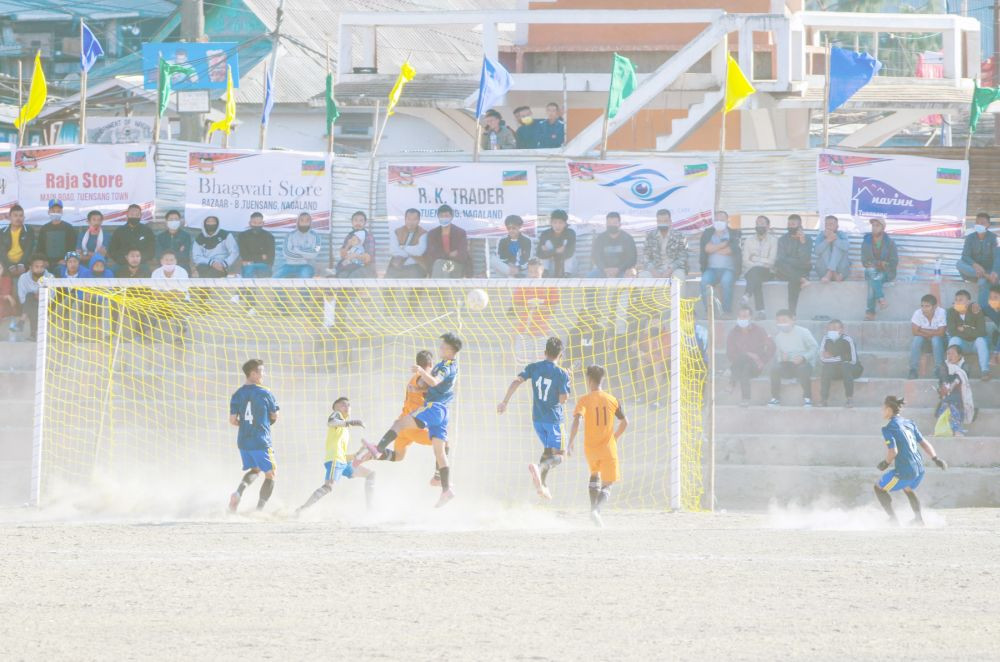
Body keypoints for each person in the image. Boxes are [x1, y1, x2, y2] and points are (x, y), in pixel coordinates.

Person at [369, 333, 462, 507]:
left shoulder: (446, 366)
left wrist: (420, 371)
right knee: (440, 452)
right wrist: (417, 389)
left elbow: (434, 382)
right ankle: (445, 488)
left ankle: (379, 448)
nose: (440, 348)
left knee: (400, 423)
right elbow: (433, 386)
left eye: (443, 346)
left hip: (433, 408)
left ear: (450, 349)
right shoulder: (448, 364)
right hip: (443, 411)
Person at [497, 336, 571, 500]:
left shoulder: (533, 367)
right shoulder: (562, 374)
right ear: (561, 355)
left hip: (537, 420)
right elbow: (563, 399)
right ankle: (538, 468)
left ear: (544, 352)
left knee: (547, 450)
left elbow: (516, 381)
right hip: (554, 420)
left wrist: (504, 402)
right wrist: (567, 380)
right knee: (560, 454)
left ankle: (542, 486)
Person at [568, 365, 628, 528]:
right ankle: (596, 510)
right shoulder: (612, 400)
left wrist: (570, 441)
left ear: (588, 380)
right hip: (608, 447)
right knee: (608, 483)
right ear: (603, 380)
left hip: (590, 448)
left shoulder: (584, 400)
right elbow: (625, 422)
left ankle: (592, 510)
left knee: (594, 475)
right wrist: (614, 437)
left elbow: (577, 420)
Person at [873, 395, 946, 526]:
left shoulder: (888, 428)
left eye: (883, 408)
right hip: (919, 469)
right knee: (907, 488)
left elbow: (893, 451)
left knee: (879, 488)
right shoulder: (909, 423)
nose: (882, 411)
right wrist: (936, 458)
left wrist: (885, 463)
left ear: (889, 409)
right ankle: (918, 519)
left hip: (905, 471)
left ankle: (893, 519)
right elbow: (923, 442)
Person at [295, 397, 374, 513]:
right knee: (329, 486)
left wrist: (358, 453)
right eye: (343, 404)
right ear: (335, 408)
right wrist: (351, 422)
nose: (347, 406)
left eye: (348, 405)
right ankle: (301, 510)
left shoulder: (344, 428)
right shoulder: (337, 416)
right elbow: (330, 422)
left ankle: (370, 510)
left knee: (371, 474)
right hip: (335, 461)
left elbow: (343, 455)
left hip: (343, 462)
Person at [228, 359, 280, 512]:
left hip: (243, 441)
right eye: (262, 371)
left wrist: (246, 425)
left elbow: (232, 420)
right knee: (271, 474)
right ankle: (259, 510)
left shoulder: (237, 394)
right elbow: (275, 415)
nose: (264, 374)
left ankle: (238, 492)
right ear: (253, 373)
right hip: (261, 440)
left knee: (256, 469)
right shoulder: (265, 392)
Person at [727, 305, 775, 407]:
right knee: (745, 367)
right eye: (740, 316)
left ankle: (732, 381)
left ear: (750, 318)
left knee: (746, 364)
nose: (742, 319)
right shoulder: (733, 333)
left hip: (756, 366)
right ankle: (745, 399)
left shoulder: (759, 330)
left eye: (744, 316)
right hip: (740, 366)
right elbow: (730, 353)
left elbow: (771, 347)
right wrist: (749, 354)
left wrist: (763, 361)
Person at [768, 309, 818, 407]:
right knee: (774, 369)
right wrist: (782, 358)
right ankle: (775, 398)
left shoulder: (803, 332)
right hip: (788, 365)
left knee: (802, 369)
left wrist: (803, 357)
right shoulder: (778, 336)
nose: (781, 324)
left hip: (804, 364)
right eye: (779, 321)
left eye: (784, 320)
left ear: (792, 320)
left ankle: (807, 398)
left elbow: (814, 347)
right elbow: (779, 354)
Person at [699, 211, 741, 316]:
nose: (719, 222)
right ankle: (710, 311)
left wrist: (713, 248)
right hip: (711, 269)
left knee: (726, 282)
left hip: (728, 269)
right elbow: (706, 248)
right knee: (704, 281)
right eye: (717, 220)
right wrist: (724, 244)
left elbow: (730, 250)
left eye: (722, 220)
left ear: (727, 221)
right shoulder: (708, 233)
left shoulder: (734, 233)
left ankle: (726, 312)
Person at [956, 212, 999, 311]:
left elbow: (997, 257)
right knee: (959, 263)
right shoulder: (970, 237)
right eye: (977, 222)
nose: (979, 225)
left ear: (988, 225)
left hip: (988, 272)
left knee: (982, 282)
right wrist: (975, 265)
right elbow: (965, 256)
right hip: (972, 272)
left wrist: (994, 272)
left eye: (982, 223)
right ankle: (985, 276)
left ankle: (981, 311)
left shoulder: (993, 238)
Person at [946, 289, 990, 381]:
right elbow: (952, 332)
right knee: (954, 339)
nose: (957, 302)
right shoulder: (951, 312)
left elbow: (982, 332)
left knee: (981, 340)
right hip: (962, 345)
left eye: (961, 300)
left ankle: (985, 371)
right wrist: (972, 330)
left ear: (968, 302)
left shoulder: (976, 310)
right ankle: (952, 370)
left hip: (975, 345)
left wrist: (965, 329)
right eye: (956, 300)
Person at [817, 319, 862, 408]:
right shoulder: (826, 339)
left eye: (835, 329)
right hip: (835, 369)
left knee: (845, 366)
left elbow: (853, 360)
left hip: (852, 370)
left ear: (841, 330)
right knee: (826, 368)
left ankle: (849, 399)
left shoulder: (848, 339)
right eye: (830, 329)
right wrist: (842, 358)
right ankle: (823, 400)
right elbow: (822, 359)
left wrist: (833, 357)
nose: (832, 331)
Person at [774, 214, 813, 315]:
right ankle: (802, 279)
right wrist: (796, 261)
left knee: (793, 278)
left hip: (800, 269)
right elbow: (781, 258)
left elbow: (805, 259)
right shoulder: (782, 239)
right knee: (779, 264)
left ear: (800, 225)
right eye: (789, 224)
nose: (790, 226)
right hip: (786, 270)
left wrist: (802, 242)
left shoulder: (807, 239)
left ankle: (791, 314)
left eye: (793, 224)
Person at [861, 218, 898, 320]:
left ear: (883, 228)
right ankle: (881, 299)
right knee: (872, 273)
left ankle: (870, 312)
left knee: (873, 280)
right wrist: (879, 263)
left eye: (877, 225)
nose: (874, 227)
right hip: (871, 271)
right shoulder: (866, 241)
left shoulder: (890, 242)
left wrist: (883, 265)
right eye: (873, 225)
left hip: (886, 272)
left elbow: (894, 262)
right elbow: (864, 261)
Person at [741, 215, 778, 319]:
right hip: (750, 271)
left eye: (762, 223)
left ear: (768, 226)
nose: (759, 225)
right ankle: (761, 311)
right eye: (757, 223)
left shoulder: (773, 240)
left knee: (755, 274)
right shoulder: (749, 240)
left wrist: (756, 259)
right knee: (756, 277)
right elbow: (745, 260)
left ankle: (747, 295)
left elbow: (772, 261)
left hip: (768, 272)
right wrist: (759, 264)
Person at [936, 345, 974, 437]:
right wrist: (945, 387)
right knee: (949, 400)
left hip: (961, 395)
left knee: (953, 399)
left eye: (953, 353)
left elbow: (960, 378)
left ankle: (954, 429)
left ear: (959, 355)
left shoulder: (964, 366)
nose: (950, 356)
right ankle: (955, 429)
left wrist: (951, 386)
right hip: (946, 395)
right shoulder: (944, 365)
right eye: (948, 354)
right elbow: (943, 379)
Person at [641, 209, 688, 281]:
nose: (662, 223)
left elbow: (683, 257)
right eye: (660, 221)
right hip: (655, 270)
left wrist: (670, 270)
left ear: (670, 222)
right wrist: (653, 272)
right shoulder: (650, 236)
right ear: (657, 222)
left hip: (674, 269)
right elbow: (645, 257)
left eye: (665, 221)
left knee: (679, 276)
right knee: (643, 276)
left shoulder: (680, 236)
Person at [425, 205, 471, 278]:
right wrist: (449, 254)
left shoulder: (460, 233)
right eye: (441, 216)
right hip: (438, 265)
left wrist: (443, 256)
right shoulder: (432, 234)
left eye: (446, 215)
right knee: (440, 265)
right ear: (438, 217)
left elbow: (462, 254)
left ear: (451, 217)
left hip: (457, 264)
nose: (444, 218)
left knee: (443, 267)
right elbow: (432, 254)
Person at [909, 294, 946, 379]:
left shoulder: (941, 312)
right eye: (922, 306)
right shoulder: (917, 313)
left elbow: (941, 333)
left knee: (936, 339)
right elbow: (914, 332)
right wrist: (931, 333)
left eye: (927, 306)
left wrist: (922, 329)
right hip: (924, 342)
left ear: (935, 307)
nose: (924, 309)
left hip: (940, 343)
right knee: (917, 339)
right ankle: (913, 370)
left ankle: (939, 369)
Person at [589, 212, 637, 278]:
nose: (611, 225)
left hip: (622, 270)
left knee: (629, 277)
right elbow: (596, 256)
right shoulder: (600, 238)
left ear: (620, 224)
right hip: (603, 270)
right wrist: (604, 269)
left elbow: (632, 258)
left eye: (614, 223)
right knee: (590, 276)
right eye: (609, 223)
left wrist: (618, 269)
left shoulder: (627, 238)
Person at [274, 212, 321, 278]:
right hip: (288, 265)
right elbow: (286, 253)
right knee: (274, 280)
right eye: (302, 220)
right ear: (298, 222)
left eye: (307, 220)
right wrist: (307, 254)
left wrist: (296, 250)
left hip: (307, 266)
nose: (304, 223)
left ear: (310, 222)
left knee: (304, 282)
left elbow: (315, 253)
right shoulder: (289, 235)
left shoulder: (316, 237)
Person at [108, 203, 155, 269]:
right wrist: (124, 260)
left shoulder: (147, 231)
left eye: (137, 215)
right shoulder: (119, 231)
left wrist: (138, 260)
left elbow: (151, 250)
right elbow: (112, 250)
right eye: (132, 214)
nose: (134, 217)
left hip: (141, 265)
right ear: (127, 215)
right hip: (122, 264)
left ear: (140, 216)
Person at [386, 208, 428, 278]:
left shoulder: (423, 233)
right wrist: (409, 252)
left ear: (418, 220)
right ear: (405, 219)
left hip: (415, 266)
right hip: (397, 265)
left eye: (414, 219)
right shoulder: (397, 231)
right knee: (387, 283)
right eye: (408, 219)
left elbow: (419, 251)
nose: (411, 222)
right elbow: (393, 250)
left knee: (413, 284)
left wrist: (403, 247)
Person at [35, 200, 78, 268]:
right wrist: (44, 261)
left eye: (58, 211)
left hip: (64, 264)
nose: (56, 213)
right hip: (47, 264)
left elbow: (72, 248)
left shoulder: (69, 228)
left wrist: (66, 260)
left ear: (62, 212)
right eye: (53, 211)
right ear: (49, 212)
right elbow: (39, 248)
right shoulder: (44, 229)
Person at [17, 255, 51, 340]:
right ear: (30, 267)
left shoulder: (50, 277)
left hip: (46, 304)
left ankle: (22, 320)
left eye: (41, 267)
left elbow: (52, 296)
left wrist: (41, 297)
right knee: (30, 298)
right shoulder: (23, 278)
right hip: (27, 304)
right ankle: (33, 334)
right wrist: (35, 296)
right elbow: (22, 297)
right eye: (36, 266)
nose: (39, 269)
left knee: (32, 300)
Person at [536, 209, 576, 277]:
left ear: (565, 223)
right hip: (551, 265)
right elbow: (539, 254)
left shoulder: (570, 233)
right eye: (555, 222)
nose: (557, 225)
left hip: (566, 266)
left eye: (560, 222)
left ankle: (567, 275)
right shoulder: (545, 234)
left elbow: (569, 253)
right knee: (547, 243)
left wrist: (549, 253)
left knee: (572, 255)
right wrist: (556, 251)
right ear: (551, 223)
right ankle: (545, 273)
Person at [337, 211, 376, 278]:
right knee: (341, 276)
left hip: (366, 267)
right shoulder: (349, 236)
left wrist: (355, 256)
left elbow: (368, 259)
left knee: (353, 277)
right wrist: (348, 245)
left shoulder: (368, 236)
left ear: (365, 223)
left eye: (361, 221)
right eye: (355, 220)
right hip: (351, 265)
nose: (358, 223)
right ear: (352, 222)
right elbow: (342, 256)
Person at [0, 204, 34, 279]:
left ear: (24, 217)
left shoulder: (29, 231)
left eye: (21, 216)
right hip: (7, 264)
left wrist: (22, 264)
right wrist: (9, 265)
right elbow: (2, 252)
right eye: (15, 215)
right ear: (9, 217)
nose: (18, 218)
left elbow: (29, 250)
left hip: (24, 264)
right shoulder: (2, 232)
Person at [814, 215, 850, 283]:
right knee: (825, 245)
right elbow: (816, 252)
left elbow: (846, 247)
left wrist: (835, 239)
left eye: (831, 224)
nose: (828, 227)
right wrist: (827, 240)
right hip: (824, 272)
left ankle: (830, 273)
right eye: (826, 224)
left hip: (840, 271)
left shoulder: (841, 234)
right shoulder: (821, 235)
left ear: (837, 226)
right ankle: (832, 273)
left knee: (839, 246)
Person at [237, 212, 275, 278]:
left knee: (264, 277)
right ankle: (246, 288)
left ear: (263, 223)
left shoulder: (269, 236)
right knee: (249, 270)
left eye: (259, 223)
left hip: (263, 265)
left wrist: (251, 259)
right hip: (249, 265)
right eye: (254, 223)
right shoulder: (242, 236)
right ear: (249, 223)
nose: (257, 225)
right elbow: (244, 255)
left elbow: (270, 257)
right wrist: (262, 256)